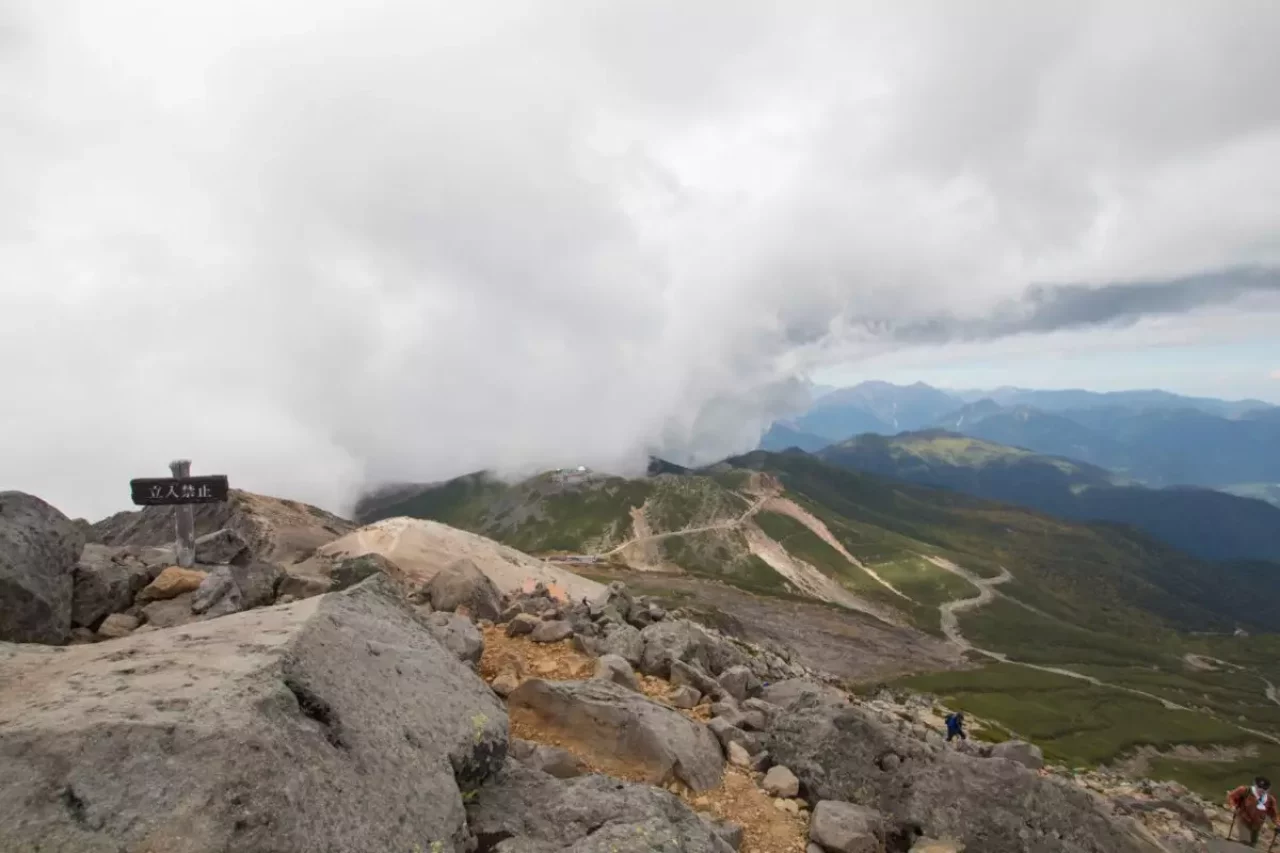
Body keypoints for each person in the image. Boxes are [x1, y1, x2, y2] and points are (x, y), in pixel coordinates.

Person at [1228, 776, 1279, 847]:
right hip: (1243, 819)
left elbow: (1273, 814)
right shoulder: (1245, 790)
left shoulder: (1270, 800)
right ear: (1255, 785)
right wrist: (1232, 806)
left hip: (1257, 826)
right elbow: (1232, 796)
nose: (1261, 790)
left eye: (1264, 789)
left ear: (1268, 789)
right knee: (1245, 842)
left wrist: (1277, 824)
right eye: (1259, 787)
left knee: (1252, 846)